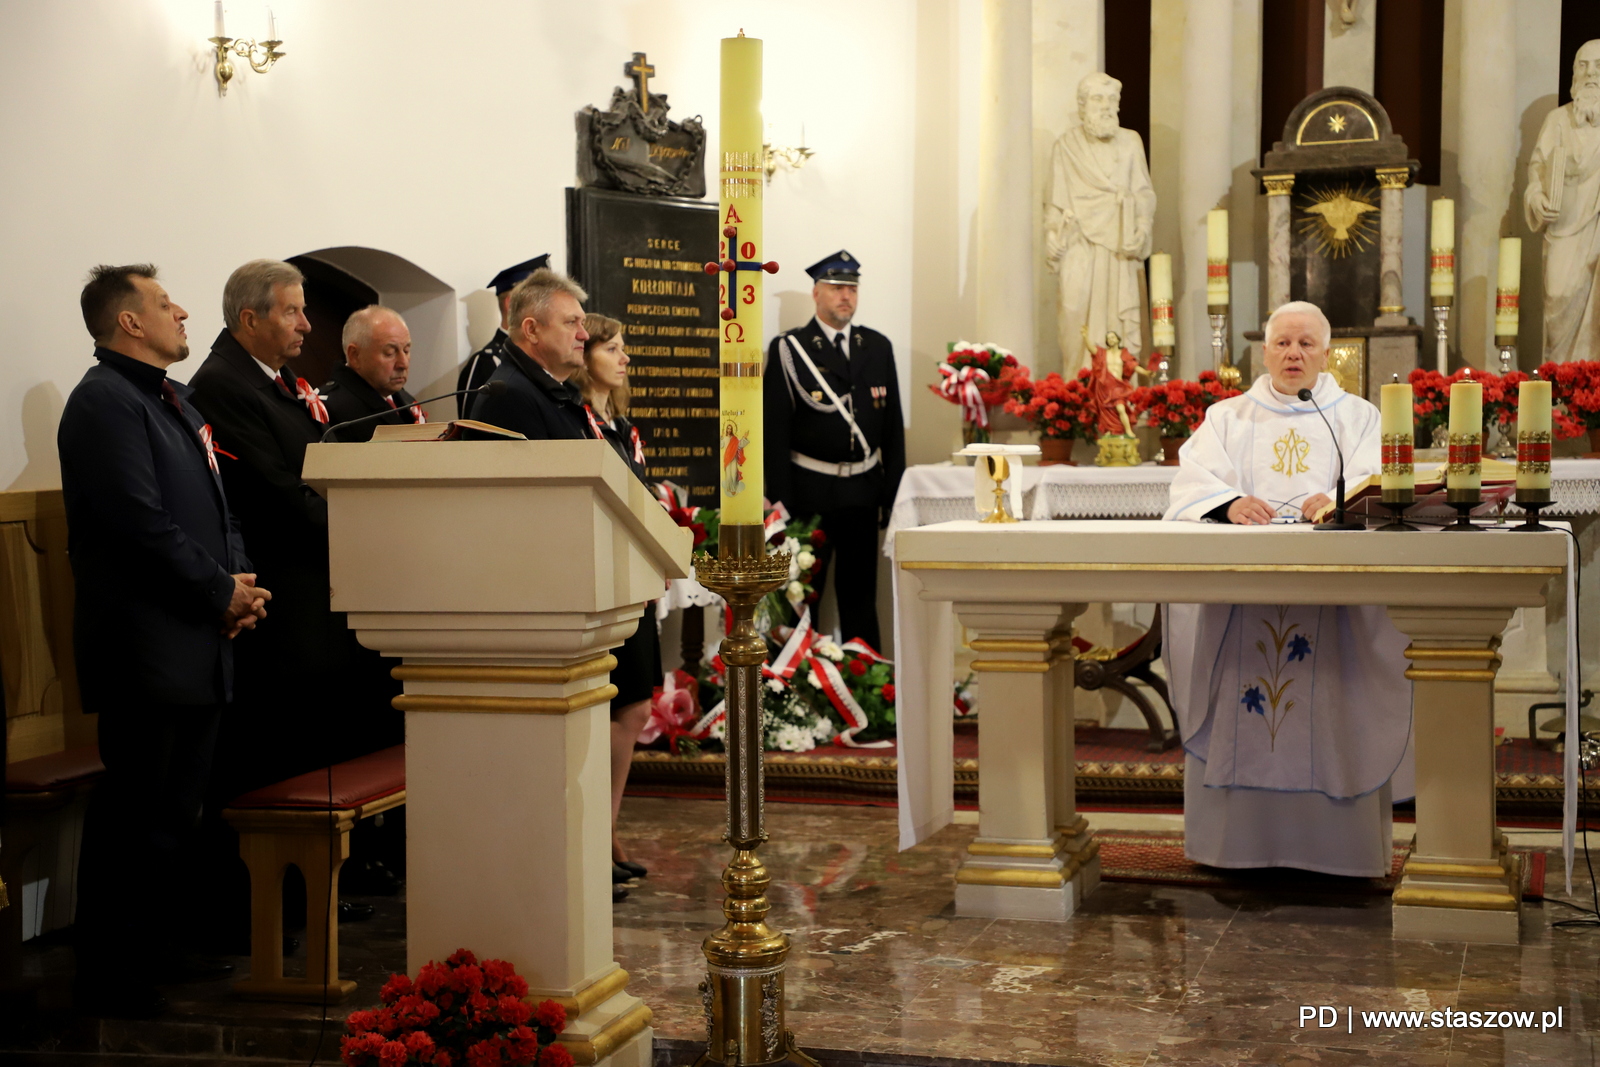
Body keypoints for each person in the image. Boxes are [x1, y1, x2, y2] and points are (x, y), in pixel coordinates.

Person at [59, 264, 270, 1016]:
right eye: (163, 302)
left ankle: (155, 946)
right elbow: (138, 525)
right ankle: (110, 972)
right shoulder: (104, 403)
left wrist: (237, 580)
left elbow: (217, 505)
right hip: (145, 644)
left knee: (178, 811)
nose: (182, 310)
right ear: (129, 323)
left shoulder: (171, 399)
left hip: (199, 635)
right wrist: (220, 590)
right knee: (136, 814)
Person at [1162, 300, 1412, 877]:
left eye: (1306, 344)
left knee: (1331, 700)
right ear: (1265, 350)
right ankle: (1234, 848)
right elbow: (1192, 483)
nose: (1293, 354)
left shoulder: (1355, 415)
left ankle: (1335, 853)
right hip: (1242, 592)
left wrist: (1340, 500)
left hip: (1332, 594)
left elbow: (1379, 477)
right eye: (1283, 343)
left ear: (1328, 355)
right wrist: (1227, 503)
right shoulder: (1228, 417)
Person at [189, 259, 395, 916]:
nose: (307, 324)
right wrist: (371, 523)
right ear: (250, 318)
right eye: (292, 311)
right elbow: (280, 495)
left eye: (305, 310)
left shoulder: (276, 382)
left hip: (315, 600)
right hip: (279, 600)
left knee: (312, 750)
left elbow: (320, 473)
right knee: (273, 759)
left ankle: (310, 893)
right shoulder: (224, 385)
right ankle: (261, 906)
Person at [764, 251, 905, 650]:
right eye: (837, 287)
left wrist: (892, 499)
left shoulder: (876, 347)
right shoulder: (790, 348)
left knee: (861, 599)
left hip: (863, 492)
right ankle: (794, 690)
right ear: (816, 293)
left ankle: (868, 688)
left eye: (852, 288)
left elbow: (892, 429)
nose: (846, 296)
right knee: (799, 598)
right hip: (809, 494)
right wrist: (780, 502)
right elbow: (774, 432)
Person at [572, 314, 656, 900]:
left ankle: (608, 829)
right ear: (586, 357)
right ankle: (594, 837)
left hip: (634, 575)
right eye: (613, 348)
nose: (624, 357)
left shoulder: (619, 424)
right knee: (615, 706)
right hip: (601, 581)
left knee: (635, 707)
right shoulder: (577, 424)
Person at [1046, 72, 1157, 375]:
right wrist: (1052, 235)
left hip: (1120, 246)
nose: (1106, 107)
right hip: (1079, 244)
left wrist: (1142, 226)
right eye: (1098, 99)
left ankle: (1122, 392)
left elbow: (1144, 193)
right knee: (1072, 312)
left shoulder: (1130, 142)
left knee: (1119, 325)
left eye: (1112, 100)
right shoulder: (1066, 146)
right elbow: (1054, 204)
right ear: (1082, 105)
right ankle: (1077, 392)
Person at [1524, 39, 1600, 362]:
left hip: (1596, 230)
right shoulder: (1557, 120)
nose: (1591, 73)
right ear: (1573, 75)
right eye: (1583, 65)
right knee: (1558, 294)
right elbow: (1537, 166)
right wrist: (1537, 196)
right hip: (1563, 230)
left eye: (1598, 65)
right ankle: (1560, 394)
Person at [472, 268, 597, 440]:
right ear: (531, 330)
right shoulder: (509, 398)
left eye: (582, 323)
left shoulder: (556, 391)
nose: (584, 335)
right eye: (571, 322)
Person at [457, 255, 550, 418]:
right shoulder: (486, 362)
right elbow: (470, 434)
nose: (548, 307)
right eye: (539, 299)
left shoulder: (550, 357)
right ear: (511, 303)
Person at [321, 305, 426, 440]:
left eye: (406, 350)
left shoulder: (405, 399)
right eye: (390, 353)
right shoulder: (327, 408)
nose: (403, 363)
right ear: (355, 356)